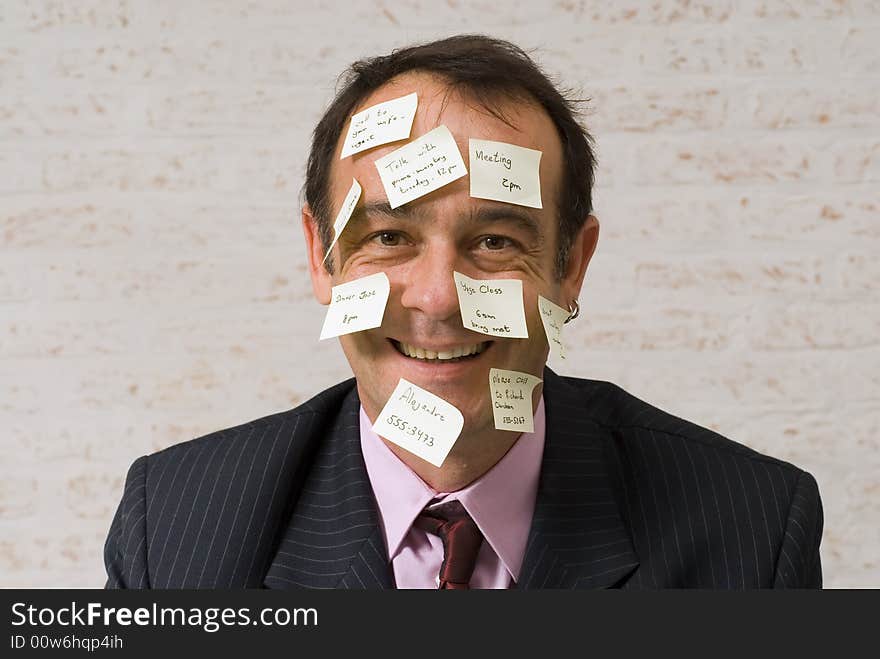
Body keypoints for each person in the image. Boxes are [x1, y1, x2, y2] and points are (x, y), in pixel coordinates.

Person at [104, 35, 823, 589]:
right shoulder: (172, 530)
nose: (439, 298)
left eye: (494, 241)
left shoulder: (752, 529)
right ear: (321, 255)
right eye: (388, 237)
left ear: (571, 265)